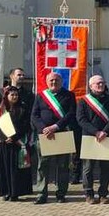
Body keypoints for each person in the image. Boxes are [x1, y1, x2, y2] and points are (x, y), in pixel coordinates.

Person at [31, 71, 76, 204]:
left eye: (56, 80)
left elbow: (71, 114)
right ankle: (41, 194)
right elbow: (34, 115)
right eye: (51, 80)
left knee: (63, 166)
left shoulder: (69, 95)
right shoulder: (40, 96)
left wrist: (55, 127)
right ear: (47, 82)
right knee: (43, 166)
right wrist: (44, 129)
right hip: (45, 135)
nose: (54, 82)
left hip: (62, 133)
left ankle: (61, 194)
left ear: (61, 82)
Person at [76, 74, 109, 204]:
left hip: (106, 137)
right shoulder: (83, 101)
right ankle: (89, 194)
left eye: (102, 83)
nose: (101, 85)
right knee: (88, 168)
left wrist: (105, 131)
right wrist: (95, 132)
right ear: (91, 86)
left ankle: (103, 194)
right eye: (97, 83)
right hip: (90, 137)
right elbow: (81, 119)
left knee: (105, 168)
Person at [0, 85, 32, 201]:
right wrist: (4, 138)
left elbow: (26, 125)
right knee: (3, 168)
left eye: (16, 95)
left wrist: (14, 137)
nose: (15, 97)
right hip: (3, 143)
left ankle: (15, 193)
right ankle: (5, 192)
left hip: (17, 143)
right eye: (12, 95)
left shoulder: (23, 109)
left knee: (15, 169)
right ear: (6, 96)